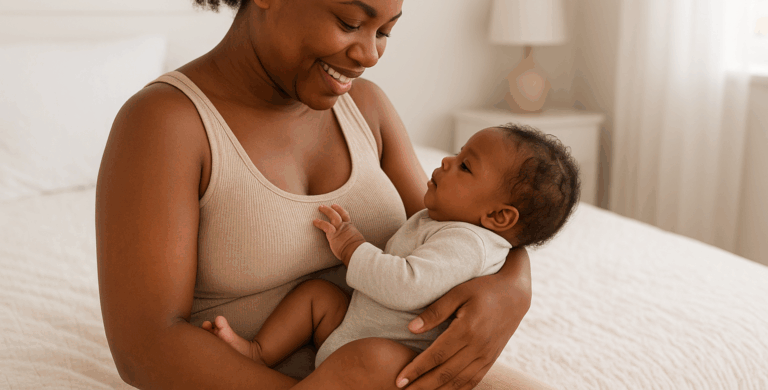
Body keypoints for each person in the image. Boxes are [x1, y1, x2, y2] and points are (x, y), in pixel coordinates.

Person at [95, 0, 555, 388]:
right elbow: (145, 347)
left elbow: (460, 221)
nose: (370, 54)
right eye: (350, 22)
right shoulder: (166, 123)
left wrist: (514, 285)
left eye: (384, 31)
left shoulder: (367, 109)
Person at [201, 124, 580, 388]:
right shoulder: (450, 220)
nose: (447, 161)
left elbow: (407, 287)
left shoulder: (468, 243)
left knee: (372, 358)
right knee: (318, 296)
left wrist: (352, 247)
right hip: (353, 329)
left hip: (393, 362)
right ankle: (257, 351)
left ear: (498, 217)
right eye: (457, 152)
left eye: (465, 165)